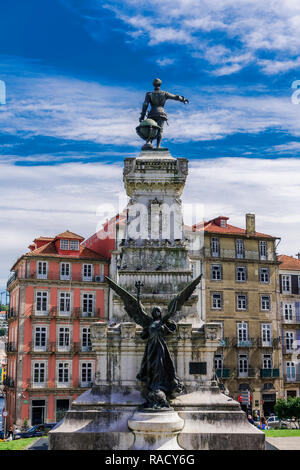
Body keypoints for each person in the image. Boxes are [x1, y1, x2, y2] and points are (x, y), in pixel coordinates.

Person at [139, 78, 189, 148]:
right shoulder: (164, 93)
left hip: (152, 113)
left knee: (151, 128)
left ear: (153, 84)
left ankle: (149, 143)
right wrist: (183, 99)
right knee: (160, 130)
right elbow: (175, 97)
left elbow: (145, 104)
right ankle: (158, 146)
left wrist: (142, 116)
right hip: (161, 113)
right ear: (160, 84)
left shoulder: (149, 94)